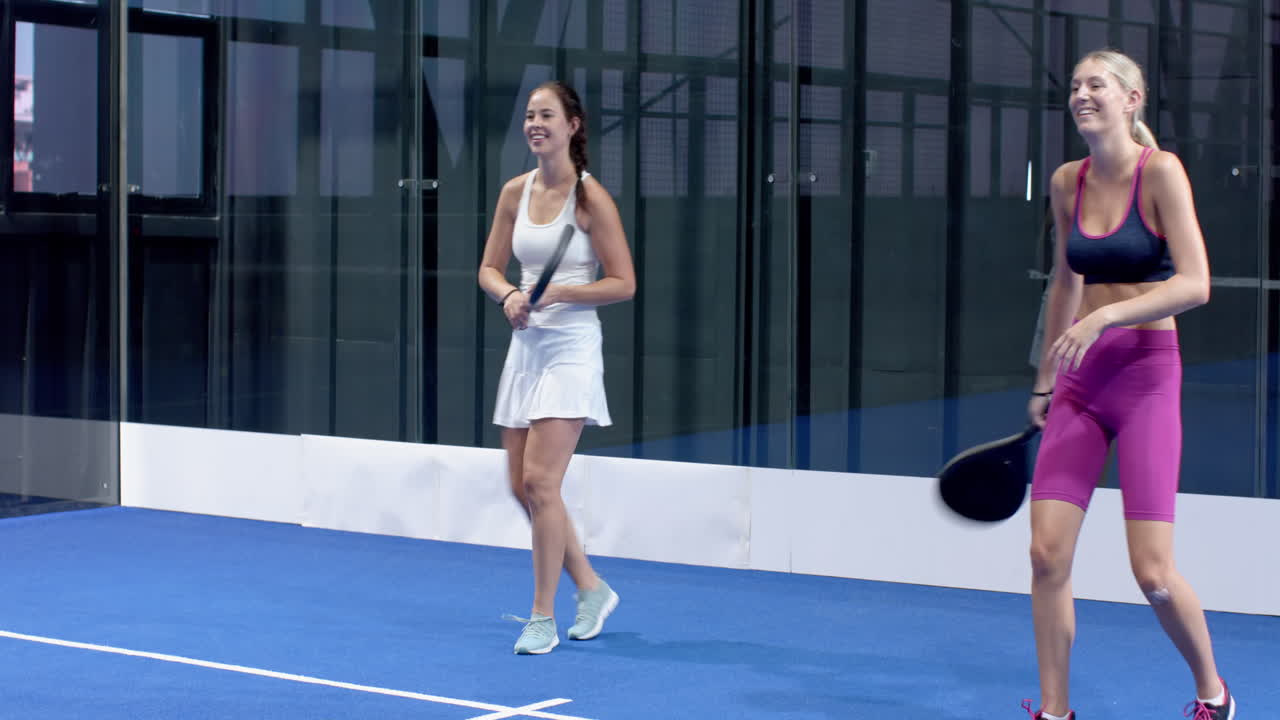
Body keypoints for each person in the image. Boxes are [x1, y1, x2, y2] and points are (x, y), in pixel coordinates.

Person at [1025, 49, 1235, 719]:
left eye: (1097, 85)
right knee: (1046, 554)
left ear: (1131, 100)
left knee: (1153, 575)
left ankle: (1214, 694)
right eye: (1076, 85)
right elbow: (1067, 281)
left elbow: (1196, 284)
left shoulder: (1162, 173)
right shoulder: (1066, 182)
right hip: (1080, 380)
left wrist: (1110, 314)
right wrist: (1044, 379)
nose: (1082, 94)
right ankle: (1055, 713)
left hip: (1146, 374)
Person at [477, 81, 635, 655]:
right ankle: (591, 589)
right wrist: (509, 297)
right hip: (526, 347)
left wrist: (561, 294)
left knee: (543, 483)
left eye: (546, 115)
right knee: (523, 487)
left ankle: (541, 617)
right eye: (529, 116)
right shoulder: (514, 193)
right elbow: (489, 269)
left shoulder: (592, 200)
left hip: (571, 348)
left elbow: (624, 283)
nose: (534, 124)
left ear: (573, 126)